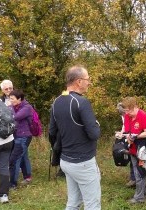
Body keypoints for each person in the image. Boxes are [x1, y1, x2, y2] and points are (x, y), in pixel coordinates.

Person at [49, 65, 101, 210]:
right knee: (92, 204)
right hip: (83, 162)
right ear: (79, 81)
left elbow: (52, 131)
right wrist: (97, 124)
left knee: (73, 202)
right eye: (87, 79)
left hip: (66, 160)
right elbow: (94, 134)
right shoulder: (81, 102)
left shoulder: (57, 101)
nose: (89, 82)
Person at [115, 97, 146, 204]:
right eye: (125, 111)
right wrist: (121, 134)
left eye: (129, 111)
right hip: (132, 148)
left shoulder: (143, 116)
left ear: (135, 107)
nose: (127, 114)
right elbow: (125, 129)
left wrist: (136, 136)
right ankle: (145, 192)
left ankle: (139, 198)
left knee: (139, 173)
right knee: (139, 171)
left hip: (142, 149)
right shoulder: (127, 116)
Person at [8, 89, 33, 188]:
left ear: (20, 99)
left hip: (24, 136)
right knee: (23, 156)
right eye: (9, 99)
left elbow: (15, 117)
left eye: (12, 99)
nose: (10, 101)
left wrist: (9, 109)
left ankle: (12, 183)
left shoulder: (27, 108)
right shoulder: (14, 106)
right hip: (16, 135)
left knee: (14, 159)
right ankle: (27, 176)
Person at [116, 102, 136, 188]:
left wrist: (125, 134)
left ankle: (135, 179)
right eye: (122, 115)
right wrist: (121, 133)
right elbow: (125, 126)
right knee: (131, 158)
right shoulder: (124, 116)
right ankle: (133, 177)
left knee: (134, 159)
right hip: (128, 139)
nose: (124, 116)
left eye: (124, 114)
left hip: (135, 140)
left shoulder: (133, 116)